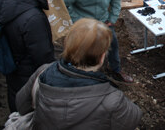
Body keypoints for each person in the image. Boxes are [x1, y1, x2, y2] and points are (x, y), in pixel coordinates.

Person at [15, 18, 143, 129]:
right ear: (102, 57)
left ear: (68, 45)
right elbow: (134, 118)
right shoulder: (112, 99)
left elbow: (21, 106)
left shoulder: (43, 71)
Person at [0, 0, 56, 112]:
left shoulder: (12, 1)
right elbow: (42, 56)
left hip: (14, 65)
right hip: (28, 73)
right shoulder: (34, 18)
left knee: (15, 96)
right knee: (26, 107)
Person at [60, 0, 133, 83]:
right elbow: (62, 7)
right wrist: (77, 21)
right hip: (84, 27)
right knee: (84, 50)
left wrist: (112, 18)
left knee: (113, 45)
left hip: (105, 23)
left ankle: (116, 70)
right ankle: (82, 74)